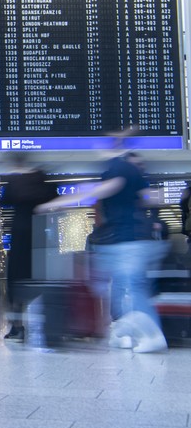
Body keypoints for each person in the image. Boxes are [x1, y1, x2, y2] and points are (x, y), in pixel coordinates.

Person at [37, 149, 168, 353]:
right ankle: (124, 333)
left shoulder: (121, 170)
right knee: (118, 290)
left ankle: (151, 335)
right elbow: (150, 199)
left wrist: (57, 202)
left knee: (130, 288)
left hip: (128, 243)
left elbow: (99, 191)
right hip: (120, 243)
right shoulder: (136, 180)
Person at [0, 152, 57, 340]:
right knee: (43, 282)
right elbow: (54, 197)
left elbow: (4, 202)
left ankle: (17, 327)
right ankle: (53, 324)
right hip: (42, 238)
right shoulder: (42, 181)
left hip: (20, 237)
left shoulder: (14, 183)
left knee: (15, 285)